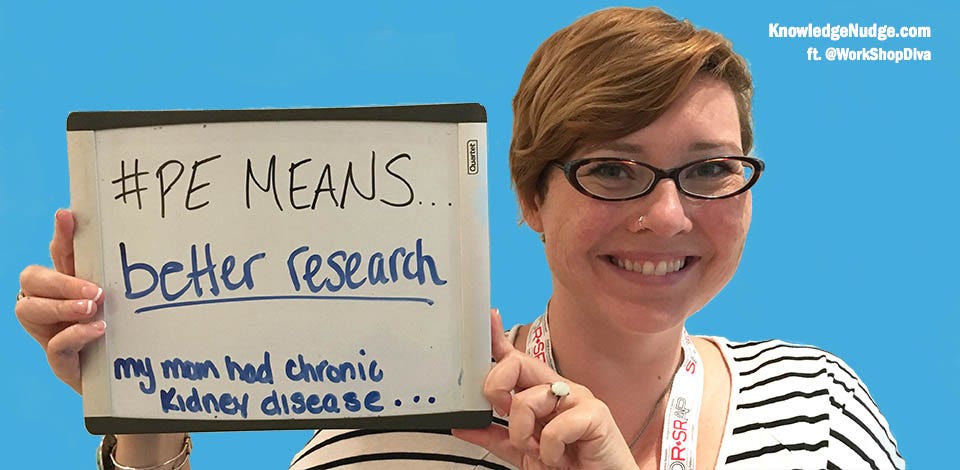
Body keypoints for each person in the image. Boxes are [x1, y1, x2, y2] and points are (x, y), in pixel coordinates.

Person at [15, 6, 903, 470]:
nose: (667, 216)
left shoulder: (820, 410)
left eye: (709, 169)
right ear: (528, 195)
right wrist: (144, 415)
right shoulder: (379, 446)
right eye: (611, 169)